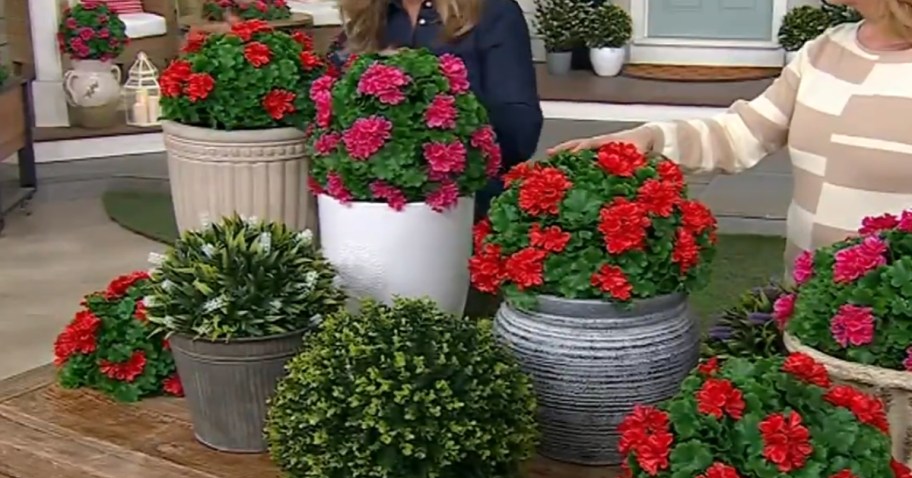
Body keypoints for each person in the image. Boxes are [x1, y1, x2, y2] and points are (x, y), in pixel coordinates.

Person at [550, 0, 912, 277]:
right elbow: (741, 134)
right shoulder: (825, 50)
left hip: (895, 316)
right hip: (815, 304)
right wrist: (650, 138)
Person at [336, 0, 544, 217]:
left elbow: (520, 134)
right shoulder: (367, 18)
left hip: (464, 212)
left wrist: (442, 140)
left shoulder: (493, 11)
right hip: (366, 214)